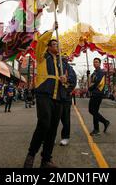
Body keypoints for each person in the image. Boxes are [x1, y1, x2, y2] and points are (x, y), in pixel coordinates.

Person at [23, 25, 76, 168]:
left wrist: (66, 80)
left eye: (57, 44)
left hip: (59, 97)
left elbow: (71, 78)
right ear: (48, 47)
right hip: (44, 95)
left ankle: (46, 159)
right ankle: (31, 155)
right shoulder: (41, 56)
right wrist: (53, 29)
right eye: (54, 44)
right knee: (44, 124)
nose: (57, 46)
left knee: (53, 128)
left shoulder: (62, 63)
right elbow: (40, 41)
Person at [88, 58, 110, 136]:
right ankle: (103, 123)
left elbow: (97, 83)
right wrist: (88, 76)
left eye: (97, 62)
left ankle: (97, 128)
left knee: (93, 110)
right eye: (94, 62)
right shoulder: (94, 73)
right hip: (94, 93)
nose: (95, 63)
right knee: (93, 111)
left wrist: (90, 88)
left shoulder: (101, 72)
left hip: (98, 94)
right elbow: (90, 82)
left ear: (100, 63)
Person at [59, 57, 76, 146]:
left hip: (65, 98)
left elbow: (73, 81)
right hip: (55, 97)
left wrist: (67, 81)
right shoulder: (54, 64)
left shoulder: (69, 69)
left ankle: (65, 137)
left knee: (65, 118)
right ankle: (50, 136)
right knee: (52, 119)